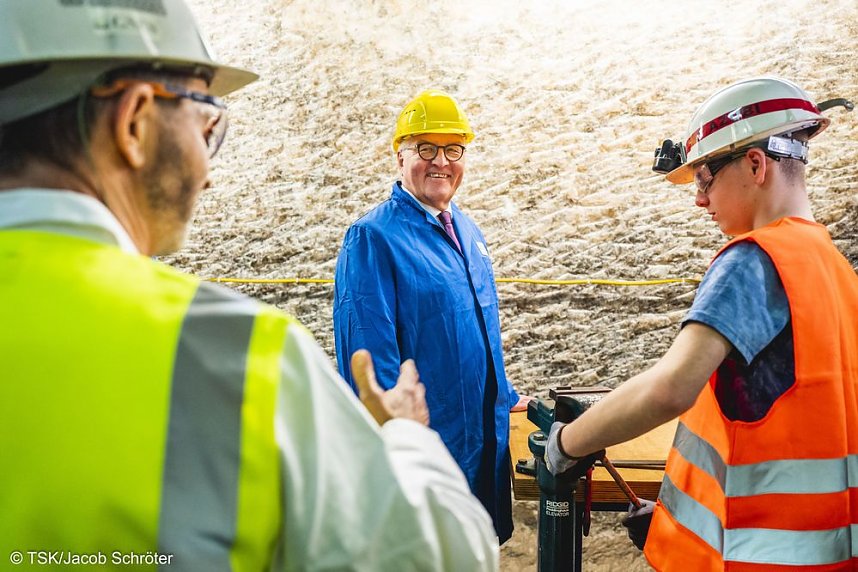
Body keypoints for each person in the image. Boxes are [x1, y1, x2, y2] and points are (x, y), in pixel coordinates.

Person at [0, 3, 499, 571]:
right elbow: (440, 556)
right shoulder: (235, 355)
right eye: (208, 122)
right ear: (134, 121)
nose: (209, 169)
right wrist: (407, 439)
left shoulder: (468, 232)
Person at [545, 77, 858, 570]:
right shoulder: (834, 267)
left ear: (755, 165)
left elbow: (672, 387)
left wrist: (568, 443)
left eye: (705, 179)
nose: (699, 200)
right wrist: (673, 519)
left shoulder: (752, 261)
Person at [333, 89, 528, 543]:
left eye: (453, 150)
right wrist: (398, 446)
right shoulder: (372, 238)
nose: (441, 161)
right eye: (425, 149)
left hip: (482, 441)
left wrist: (505, 393)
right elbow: (368, 360)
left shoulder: (467, 229)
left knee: (475, 547)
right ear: (399, 158)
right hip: (427, 447)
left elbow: (476, 329)